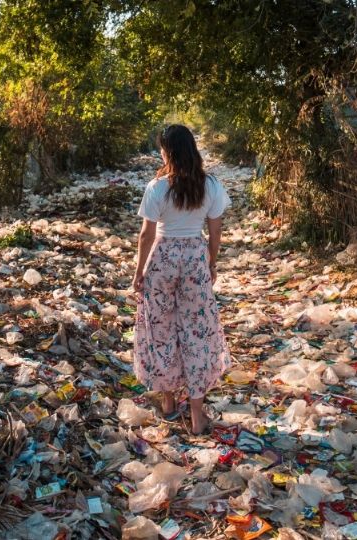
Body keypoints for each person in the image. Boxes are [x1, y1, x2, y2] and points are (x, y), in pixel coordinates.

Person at [132, 124, 232, 434]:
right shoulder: (211, 185)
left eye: (162, 148)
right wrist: (211, 263)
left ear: (168, 152)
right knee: (195, 333)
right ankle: (198, 414)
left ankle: (169, 404)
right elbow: (215, 232)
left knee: (161, 329)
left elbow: (147, 235)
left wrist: (138, 272)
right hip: (194, 258)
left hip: (162, 260)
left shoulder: (157, 187)